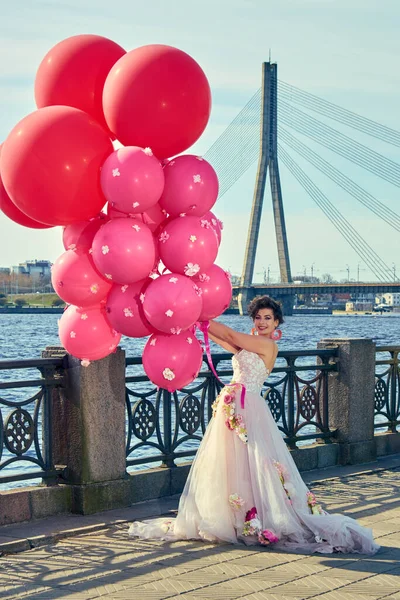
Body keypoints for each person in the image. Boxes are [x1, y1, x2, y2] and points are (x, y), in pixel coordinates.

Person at [129, 295, 380, 555]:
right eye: (258, 317)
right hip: (233, 408)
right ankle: (237, 519)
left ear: (277, 323)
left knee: (256, 462)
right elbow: (225, 339)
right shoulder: (251, 347)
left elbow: (230, 334)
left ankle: (254, 519)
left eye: (267, 318)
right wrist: (197, 327)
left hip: (248, 409)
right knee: (231, 463)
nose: (261, 322)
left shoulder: (266, 346)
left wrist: (194, 315)